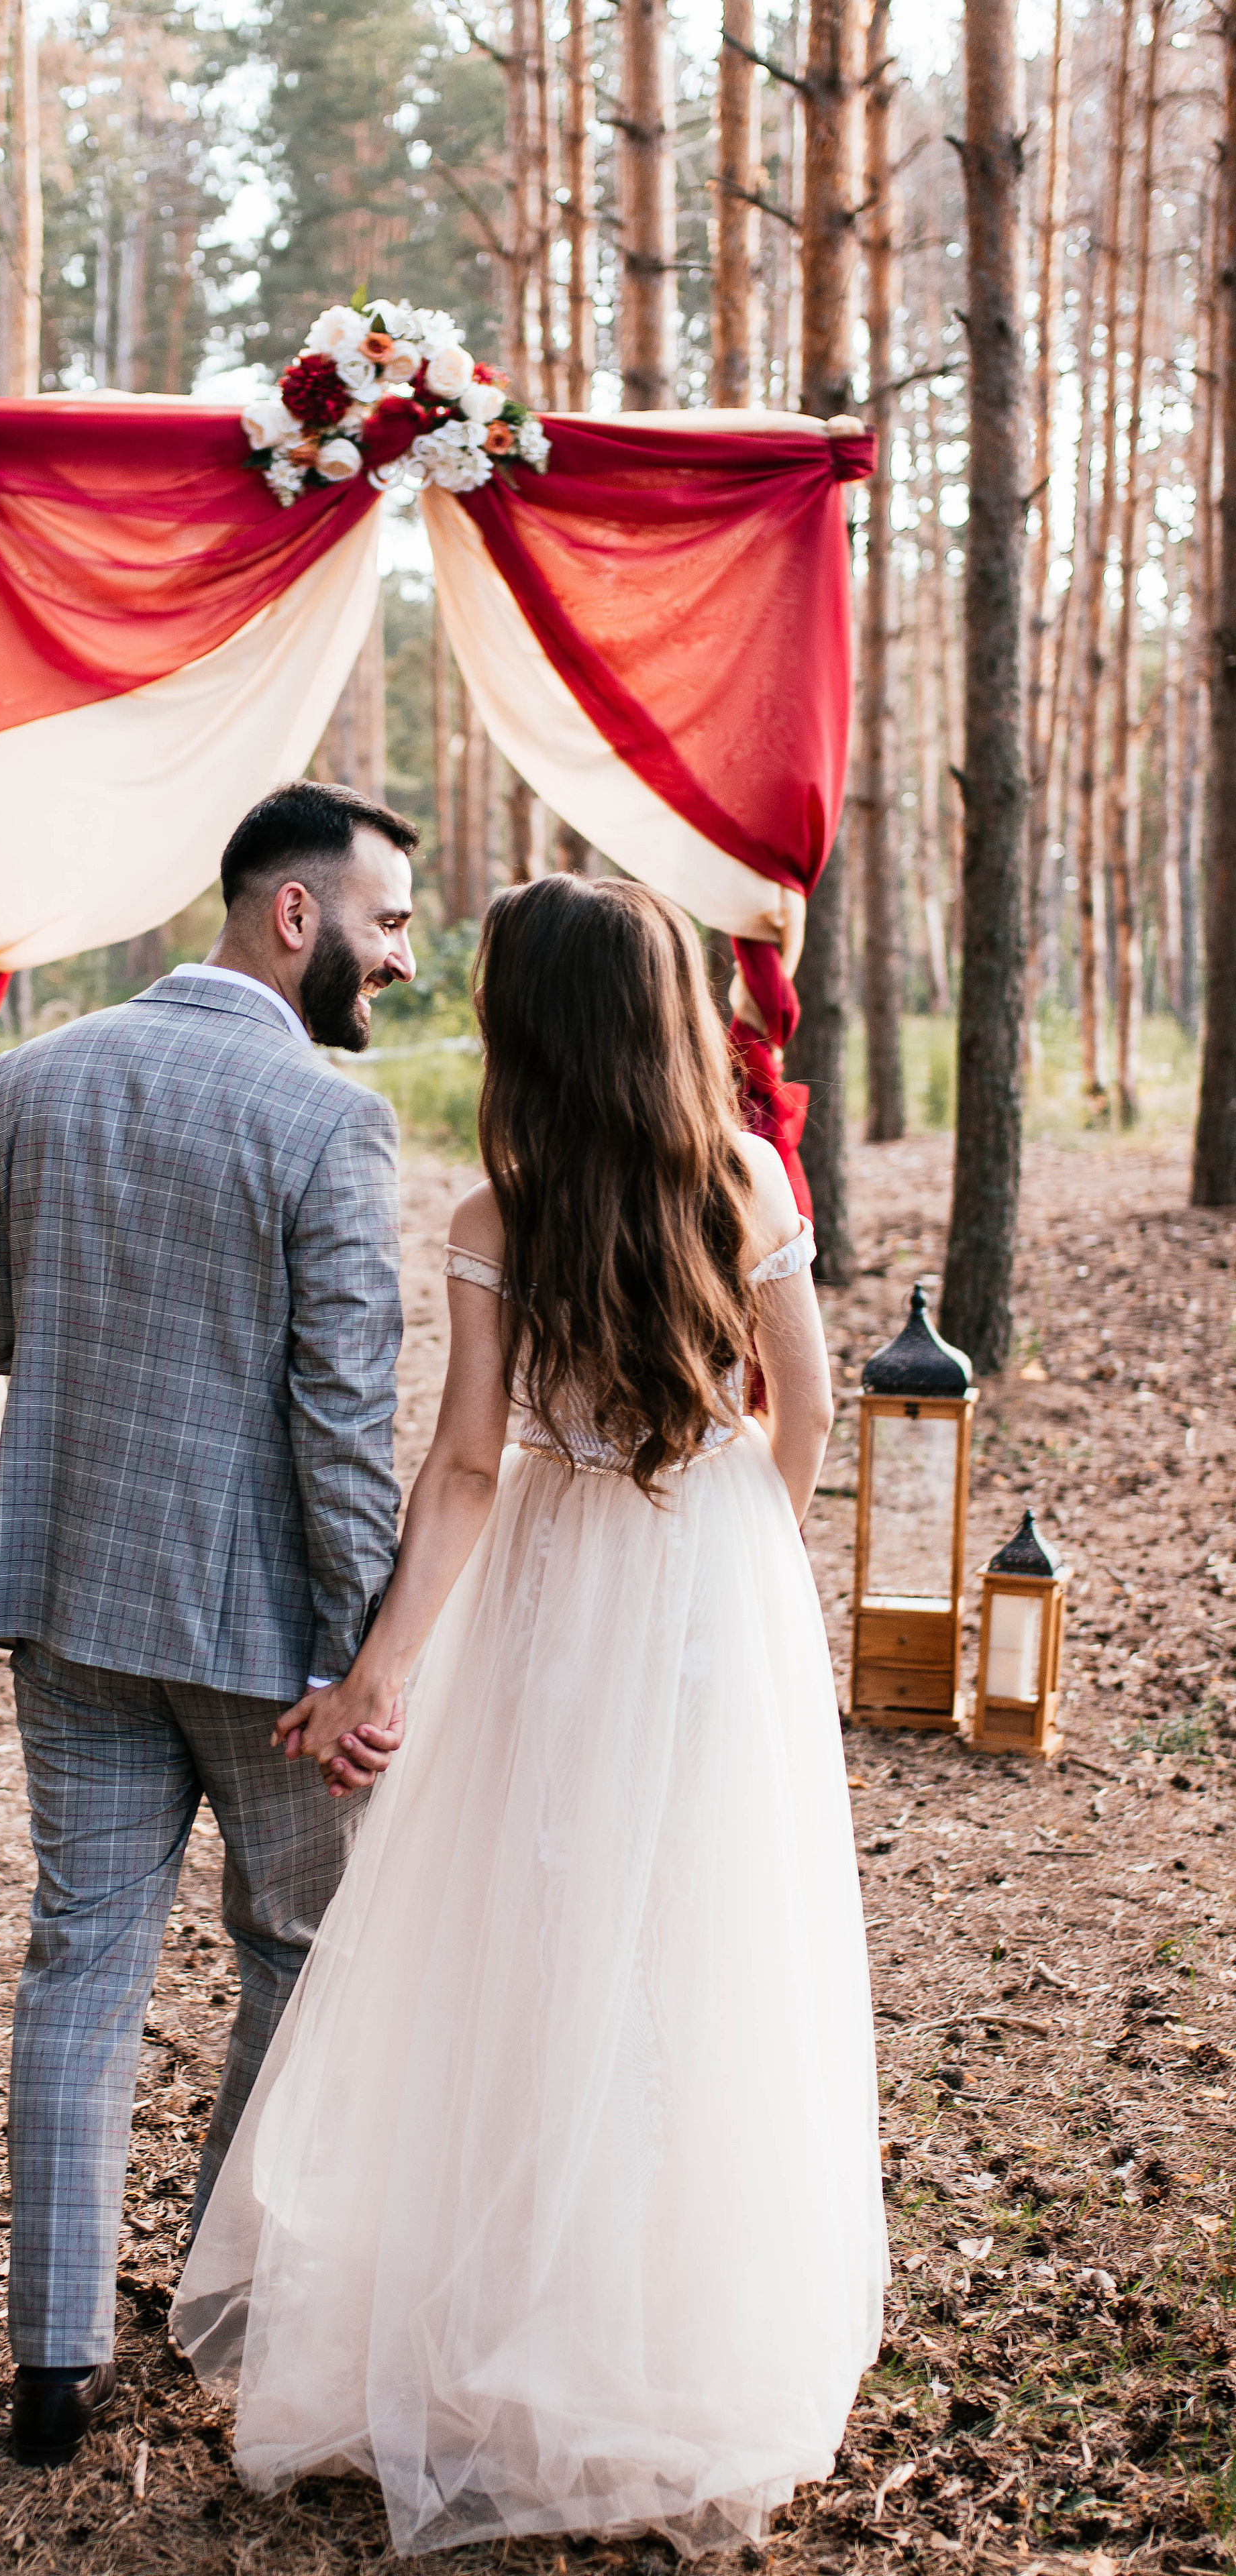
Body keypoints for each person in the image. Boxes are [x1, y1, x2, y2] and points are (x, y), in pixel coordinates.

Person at [173, 875, 888, 2561]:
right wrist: (742, 1572)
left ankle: (517, 2320)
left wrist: (384, 1668)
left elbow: (473, 1463)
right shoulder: (746, 1180)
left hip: (554, 1605)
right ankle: (653, 2322)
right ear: (656, 1015)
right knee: (694, 1944)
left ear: (527, 1028)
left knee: (530, 1937)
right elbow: (802, 1401)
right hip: (709, 1588)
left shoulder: (501, 1219)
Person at [0, 780, 420, 2468]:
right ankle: (220, 2306)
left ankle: (52, 2365)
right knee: (293, 1951)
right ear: (291, 915)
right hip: (263, 1647)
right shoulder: (329, 1126)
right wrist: (345, 1663)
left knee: (82, 1956)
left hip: (72, 1602)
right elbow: (342, 1420)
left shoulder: (35, 1077)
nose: (400, 963)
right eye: (385, 927)